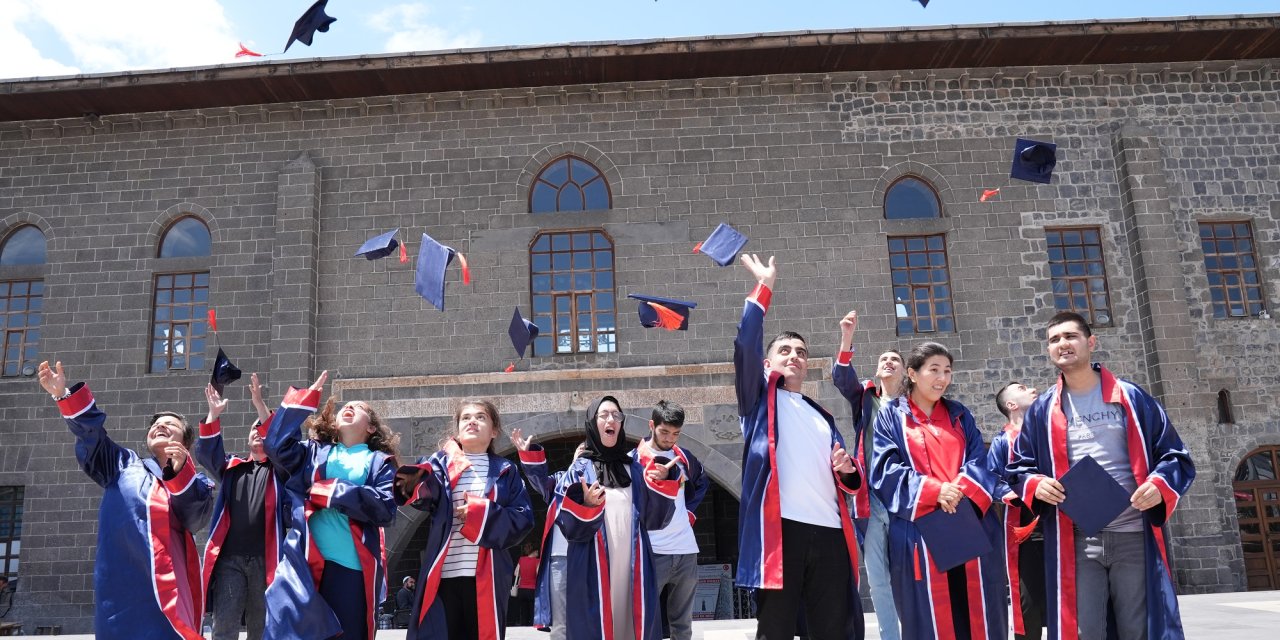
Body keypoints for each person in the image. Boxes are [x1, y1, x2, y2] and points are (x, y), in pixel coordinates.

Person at [1008, 312, 1195, 640]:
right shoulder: (1043, 410)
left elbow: (1175, 455)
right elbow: (1019, 468)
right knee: (1084, 631)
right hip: (1078, 539)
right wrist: (1036, 484)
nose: (1062, 344)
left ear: (1090, 342)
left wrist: (1158, 484)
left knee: (1138, 629)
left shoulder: (1131, 398)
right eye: (1054, 340)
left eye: (1070, 336)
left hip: (1134, 535)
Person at [732, 255, 864, 640]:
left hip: (830, 532)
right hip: (782, 531)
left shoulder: (822, 416)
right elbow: (745, 345)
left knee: (832, 629)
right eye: (785, 351)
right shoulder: (757, 402)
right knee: (776, 628)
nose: (794, 356)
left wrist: (847, 470)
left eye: (801, 353)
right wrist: (764, 287)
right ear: (768, 361)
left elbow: (850, 477)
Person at [37, 360, 214, 639]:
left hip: (167, 584)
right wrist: (62, 395)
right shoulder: (121, 464)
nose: (160, 426)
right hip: (122, 580)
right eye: (155, 424)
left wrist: (179, 473)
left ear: (186, 442)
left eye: (170, 424)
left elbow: (195, 519)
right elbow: (91, 437)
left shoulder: (196, 482)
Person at [511, 395, 681, 640]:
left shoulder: (634, 468)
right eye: (604, 415)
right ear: (593, 423)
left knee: (633, 626)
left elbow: (657, 519)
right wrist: (586, 505)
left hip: (633, 562)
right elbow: (563, 517)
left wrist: (663, 481)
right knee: (595, 626)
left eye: (616, 415)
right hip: (593, 564)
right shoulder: (579, 469)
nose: (611, 419)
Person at [869, 342, 1007, 640]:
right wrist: (934, 491)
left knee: (976, 613)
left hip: (969, 524)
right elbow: (884, 470)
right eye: (934, 370)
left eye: (947, 371)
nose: (942, 378)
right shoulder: (892, 416)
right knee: (933, 619)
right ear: (913, 373)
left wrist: (957, 491)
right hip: (920, 532)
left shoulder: (959, 414)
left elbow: (978, 461)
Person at [262, 371, 399, 640]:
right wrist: (304, 400)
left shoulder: (379, 462)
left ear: (371, 428)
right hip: (301, 562)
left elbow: (385, 508)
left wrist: (334, 491)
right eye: (346, 406)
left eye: (359, 408)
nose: (349, 407)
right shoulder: (312, 452)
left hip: (349, 566)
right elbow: (275, 446)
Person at [394, 399, 534, 640]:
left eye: (481, 417)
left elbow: (523, 520)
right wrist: (409, 481)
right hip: (443, 577)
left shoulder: (505, 470)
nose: (472, 421)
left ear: (493, 431)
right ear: (457, 429)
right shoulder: (440, 465)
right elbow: (422, 497)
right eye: (466, 417)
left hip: (485, 578)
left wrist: (480, 513)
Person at [830, 310, 904, 640]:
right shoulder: (866, 397)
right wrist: (847, 336)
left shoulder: (914, 405)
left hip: (907, 497)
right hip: (871, 500)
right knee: (878, 577)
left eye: (895, 360)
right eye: (883, 359)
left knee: (911, 572)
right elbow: (842, 377)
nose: (888, 362)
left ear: (906, 372)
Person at [196, 373, 280, 640]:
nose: (258, 432)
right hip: (230, 559)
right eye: (254, 428)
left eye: (264, 428)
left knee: (262, 627)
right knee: (224, 626)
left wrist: (259, 404)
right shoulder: (233, 467)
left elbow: (282, 443)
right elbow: (208, 455)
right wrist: (213, 414)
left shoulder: (283, 472)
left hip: (267, 560)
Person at [633, 400, 710, 640]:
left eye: (675, 433)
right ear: (651, 425)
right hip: (652, 551)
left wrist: (689, 512)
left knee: (683, 624)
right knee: (646, 619)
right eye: (664, 432)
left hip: (686, 549)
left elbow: (702, 482)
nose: (669, 439)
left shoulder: (684, 457)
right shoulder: (634, 460)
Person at [988, 382, 1045, 640]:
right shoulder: (1002, 442)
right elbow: (991, 480)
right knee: (1028, 604)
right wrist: (1008, 493)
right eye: (1022, 388)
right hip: (1024, 532)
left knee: (1066, 599)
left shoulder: (1049, 433)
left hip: (1063, 524)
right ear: (1011, 405)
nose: (1032, 389)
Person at [510, 543, 539, 627]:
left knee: (523, 610)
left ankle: (523, 625)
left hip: (522, 589)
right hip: (532, 589)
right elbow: (538, 573)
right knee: (532, 610)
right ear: (535, 551)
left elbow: (516, 573)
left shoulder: (521, 559)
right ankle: (531, 627)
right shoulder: (537, 561)